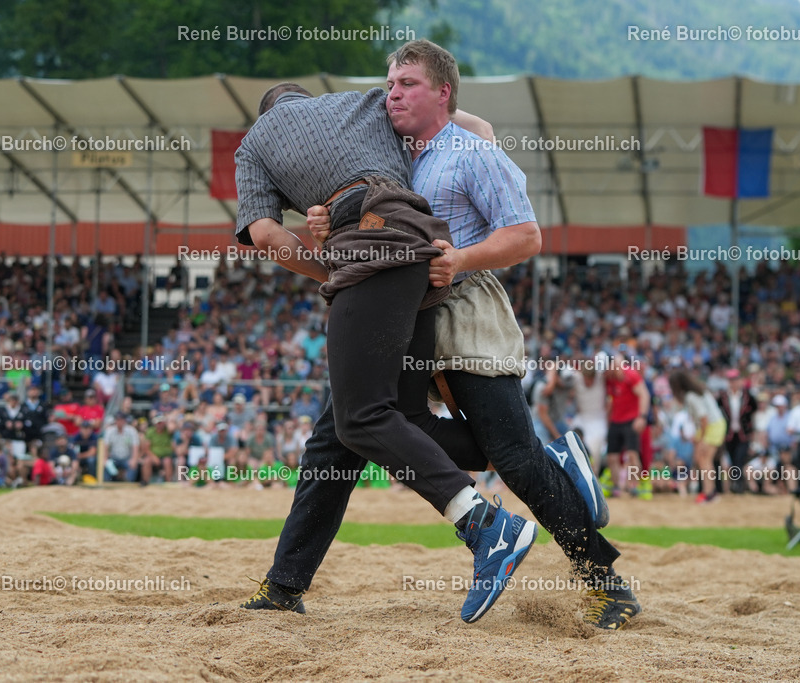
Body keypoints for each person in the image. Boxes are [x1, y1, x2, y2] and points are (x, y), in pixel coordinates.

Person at [251, 39, 637, 630]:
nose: (393, 93)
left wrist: (461, 259)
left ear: (443, 93)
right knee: (338, 443)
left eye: (407, 83)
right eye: (390, 83)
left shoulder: (473, 154)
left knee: (512, 455)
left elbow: (526, 236)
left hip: (463, 308)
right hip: (397, 309)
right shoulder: (385, 146)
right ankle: (284, 586)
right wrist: (323, 219)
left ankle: (607, 584)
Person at [234, 73, 537, 623]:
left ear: (265, 115)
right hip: (420, 245)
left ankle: (485, 525)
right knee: (354, 435)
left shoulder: (255, 142)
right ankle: (284, 585)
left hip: (372, 248)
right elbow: (471, 126)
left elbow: (267, 238)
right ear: (309, 102)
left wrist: (333, 265)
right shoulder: (366, 101)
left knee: (360, 417)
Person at [669, 369, 727, 503]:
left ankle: (709, 493)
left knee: (704, 459)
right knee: (703, 459)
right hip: (714, 425)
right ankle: (710, 492)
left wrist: (700, 438)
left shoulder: (691, 396)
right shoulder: (698, 391)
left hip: (712, 426)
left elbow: (704, 418)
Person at [604, 360, 651, 498]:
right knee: (612, 457)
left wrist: (642, 417)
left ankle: (634, 486)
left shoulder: (630, 375)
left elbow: (644, 395)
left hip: (631, 420)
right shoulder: (608, 378)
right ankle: (618, 487)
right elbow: (610, 399)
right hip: (615, 420)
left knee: (632, 454)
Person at [717, 370, 757, 494]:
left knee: (739, 458)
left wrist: (751, 429)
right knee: (733, 458)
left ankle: (738, 484)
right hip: (729, 434)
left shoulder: (747, 396)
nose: (733, 383)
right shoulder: (723, 397)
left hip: (743, 434)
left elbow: (753, 410)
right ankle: (737, 483)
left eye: (735, 380)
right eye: (731, 381)